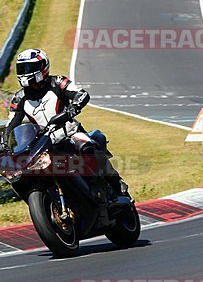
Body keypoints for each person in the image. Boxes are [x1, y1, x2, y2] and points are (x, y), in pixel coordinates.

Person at [0, 49, 125, 195]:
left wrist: (74, 107)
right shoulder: (19, 98)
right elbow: (11, 124)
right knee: (25, 173)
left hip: (70, 133)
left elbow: (81, 93)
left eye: (29, 68)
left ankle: (116, 182)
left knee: (87, 147)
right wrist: (4, 143)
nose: (25, 72)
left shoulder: (57, 82)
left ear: (43, 67)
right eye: (22, 68)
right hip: (43, 144)